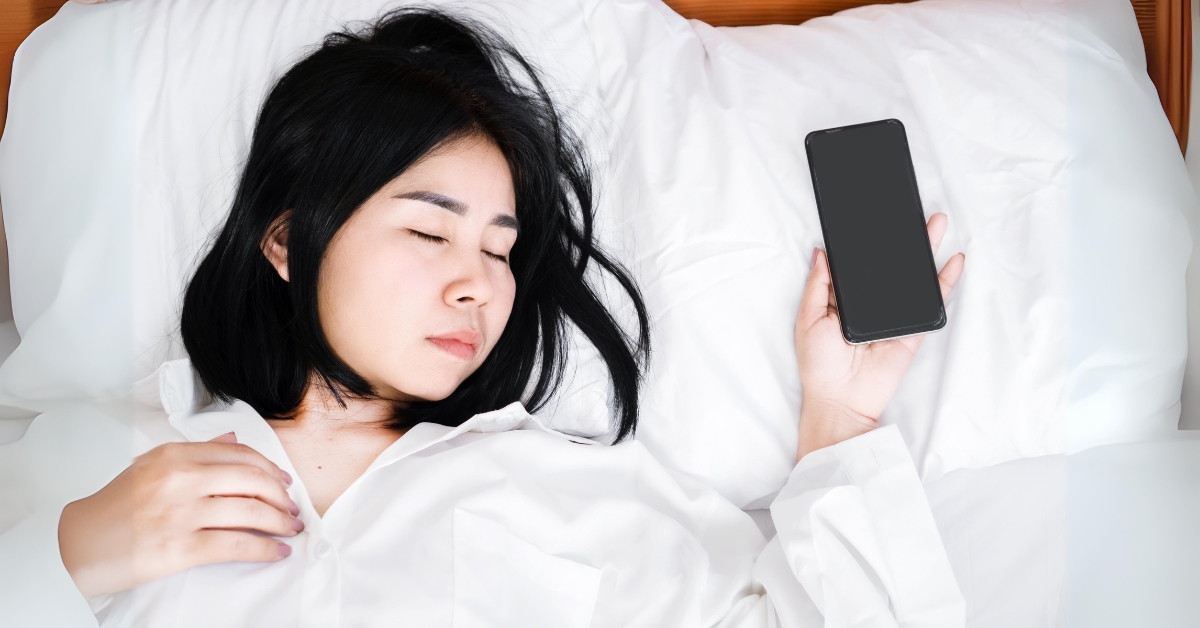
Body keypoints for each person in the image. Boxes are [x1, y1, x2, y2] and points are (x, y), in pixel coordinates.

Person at [36, 8, 965, 627]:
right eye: (430, 231)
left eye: (500, 248)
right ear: (287, 243)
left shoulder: (583, 500)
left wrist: (839, 430)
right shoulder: (94, 461)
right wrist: (66, 557)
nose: (479, 283)